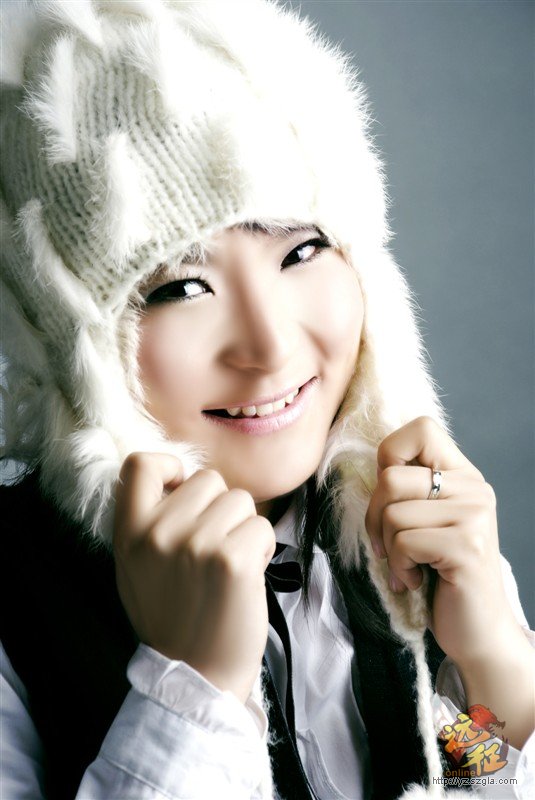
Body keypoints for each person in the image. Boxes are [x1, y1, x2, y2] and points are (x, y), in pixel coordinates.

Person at [0, 2, 533, 799]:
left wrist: (493, 670)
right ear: (64, 338)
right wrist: (189, 690)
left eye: (302, 249)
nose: (272, 347)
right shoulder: (14, 603)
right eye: (181, 288)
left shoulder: (401, 541)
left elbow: (464, 765)